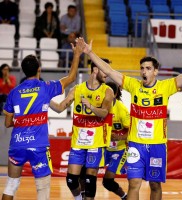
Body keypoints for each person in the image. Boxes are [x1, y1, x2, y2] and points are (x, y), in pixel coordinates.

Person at [79, 36, 182, 199]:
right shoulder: (133, 85)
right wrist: (90, 53)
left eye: (148, 68)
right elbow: (108, 70)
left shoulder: (165, 87)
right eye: (142, 68)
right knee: (134, 184)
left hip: (157, 145)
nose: (144, 71)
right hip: (136, 145)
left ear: (155, 71)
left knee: (155, 185)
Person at [1, 37, 85, 200]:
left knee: (11, 185)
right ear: (39, 69)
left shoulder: (14, 92)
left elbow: (7, 122)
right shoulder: (45, 88)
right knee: (43, 188)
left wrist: (22, 121)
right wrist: (77, 55)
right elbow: (71, 77)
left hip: (17, 144)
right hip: (38, 146)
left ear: (24, 71)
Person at [49, 58, 114, 200]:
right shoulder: (77, 89)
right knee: (71, 180)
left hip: (96, 144)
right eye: (105, 70)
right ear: (95, 70)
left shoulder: (107, 91)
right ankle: (79, 198)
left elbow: (104, 113)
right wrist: (45, 98)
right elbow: (60, 108)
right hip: (78, 143)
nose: (107, 74)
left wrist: (90, 106)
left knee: (90, 181)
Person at [103, 81, 130, 200]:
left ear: (114, 94)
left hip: (118, 150)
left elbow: (133, 131)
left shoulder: (121, 110)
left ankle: (125, 197)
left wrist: (120, 137)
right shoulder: (100, 106)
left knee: (108, 181)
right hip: (103, 148)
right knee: (84, 173)